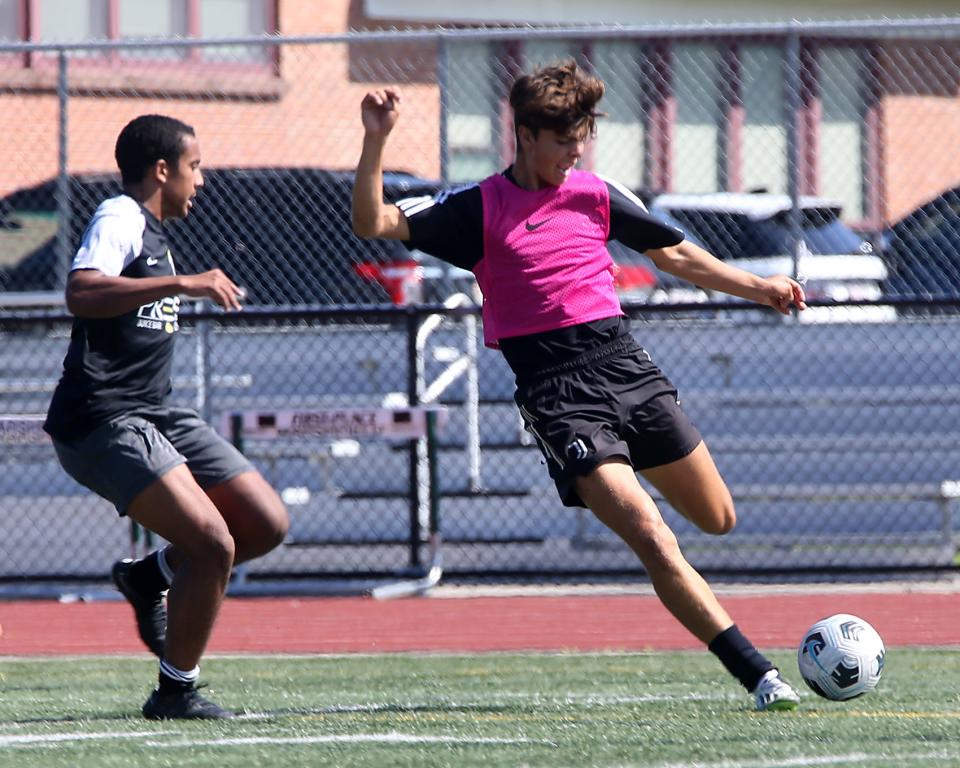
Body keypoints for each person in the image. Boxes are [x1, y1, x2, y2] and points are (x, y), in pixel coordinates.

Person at [352, 60, 806, 711]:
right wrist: (376, 139)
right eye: (562, 140)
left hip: (628, 370)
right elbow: (375, 223)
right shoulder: (477, 207)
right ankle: (760, 675)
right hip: (559, 396)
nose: (573, 152)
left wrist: (759, 287)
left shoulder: (594, 192)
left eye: (580, 139)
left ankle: (640, 486)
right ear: (526, 134)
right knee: (651, 535)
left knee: (718, 517)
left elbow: (672, 252)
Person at [44, 114, 289, 720]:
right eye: (195, 166)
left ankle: (149, 575)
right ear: (162, 170)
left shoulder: (154, 231)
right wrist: (183, 282)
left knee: (263, 523)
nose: (201, 180)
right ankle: (176, 690)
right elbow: (81, 291)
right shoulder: (121, 216)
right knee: (211, 544)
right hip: (103, 419)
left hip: (156, 412)